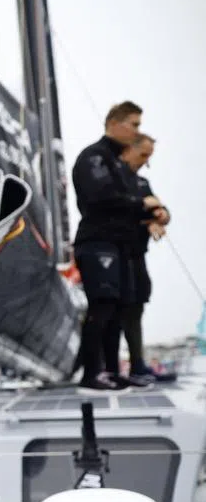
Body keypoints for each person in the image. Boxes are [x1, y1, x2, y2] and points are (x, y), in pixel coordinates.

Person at [71, 101, 166, 391]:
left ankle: (112, 370)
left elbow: (136, 202)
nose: (137, 131)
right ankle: (92, 372)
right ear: (115, 122)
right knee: (102, 307)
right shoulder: (94, 157)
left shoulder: (119, 165)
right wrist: (142, 206)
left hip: (120, 246)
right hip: (97, 243)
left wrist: (155, 214)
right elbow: (102, 197)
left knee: (117, 310)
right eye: (134, 125)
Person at [105, 134, 175, 385]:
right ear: (128, 151)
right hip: (113, 256)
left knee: (137, 304)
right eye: (143, 155)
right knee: (113, 309)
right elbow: (112, 210)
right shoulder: (112, 179)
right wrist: (146, 216)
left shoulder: (142, 182)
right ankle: (110, 368)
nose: (146, 162)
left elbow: (160, 209)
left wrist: (160, 216)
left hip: (137, 256)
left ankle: (138, 364)